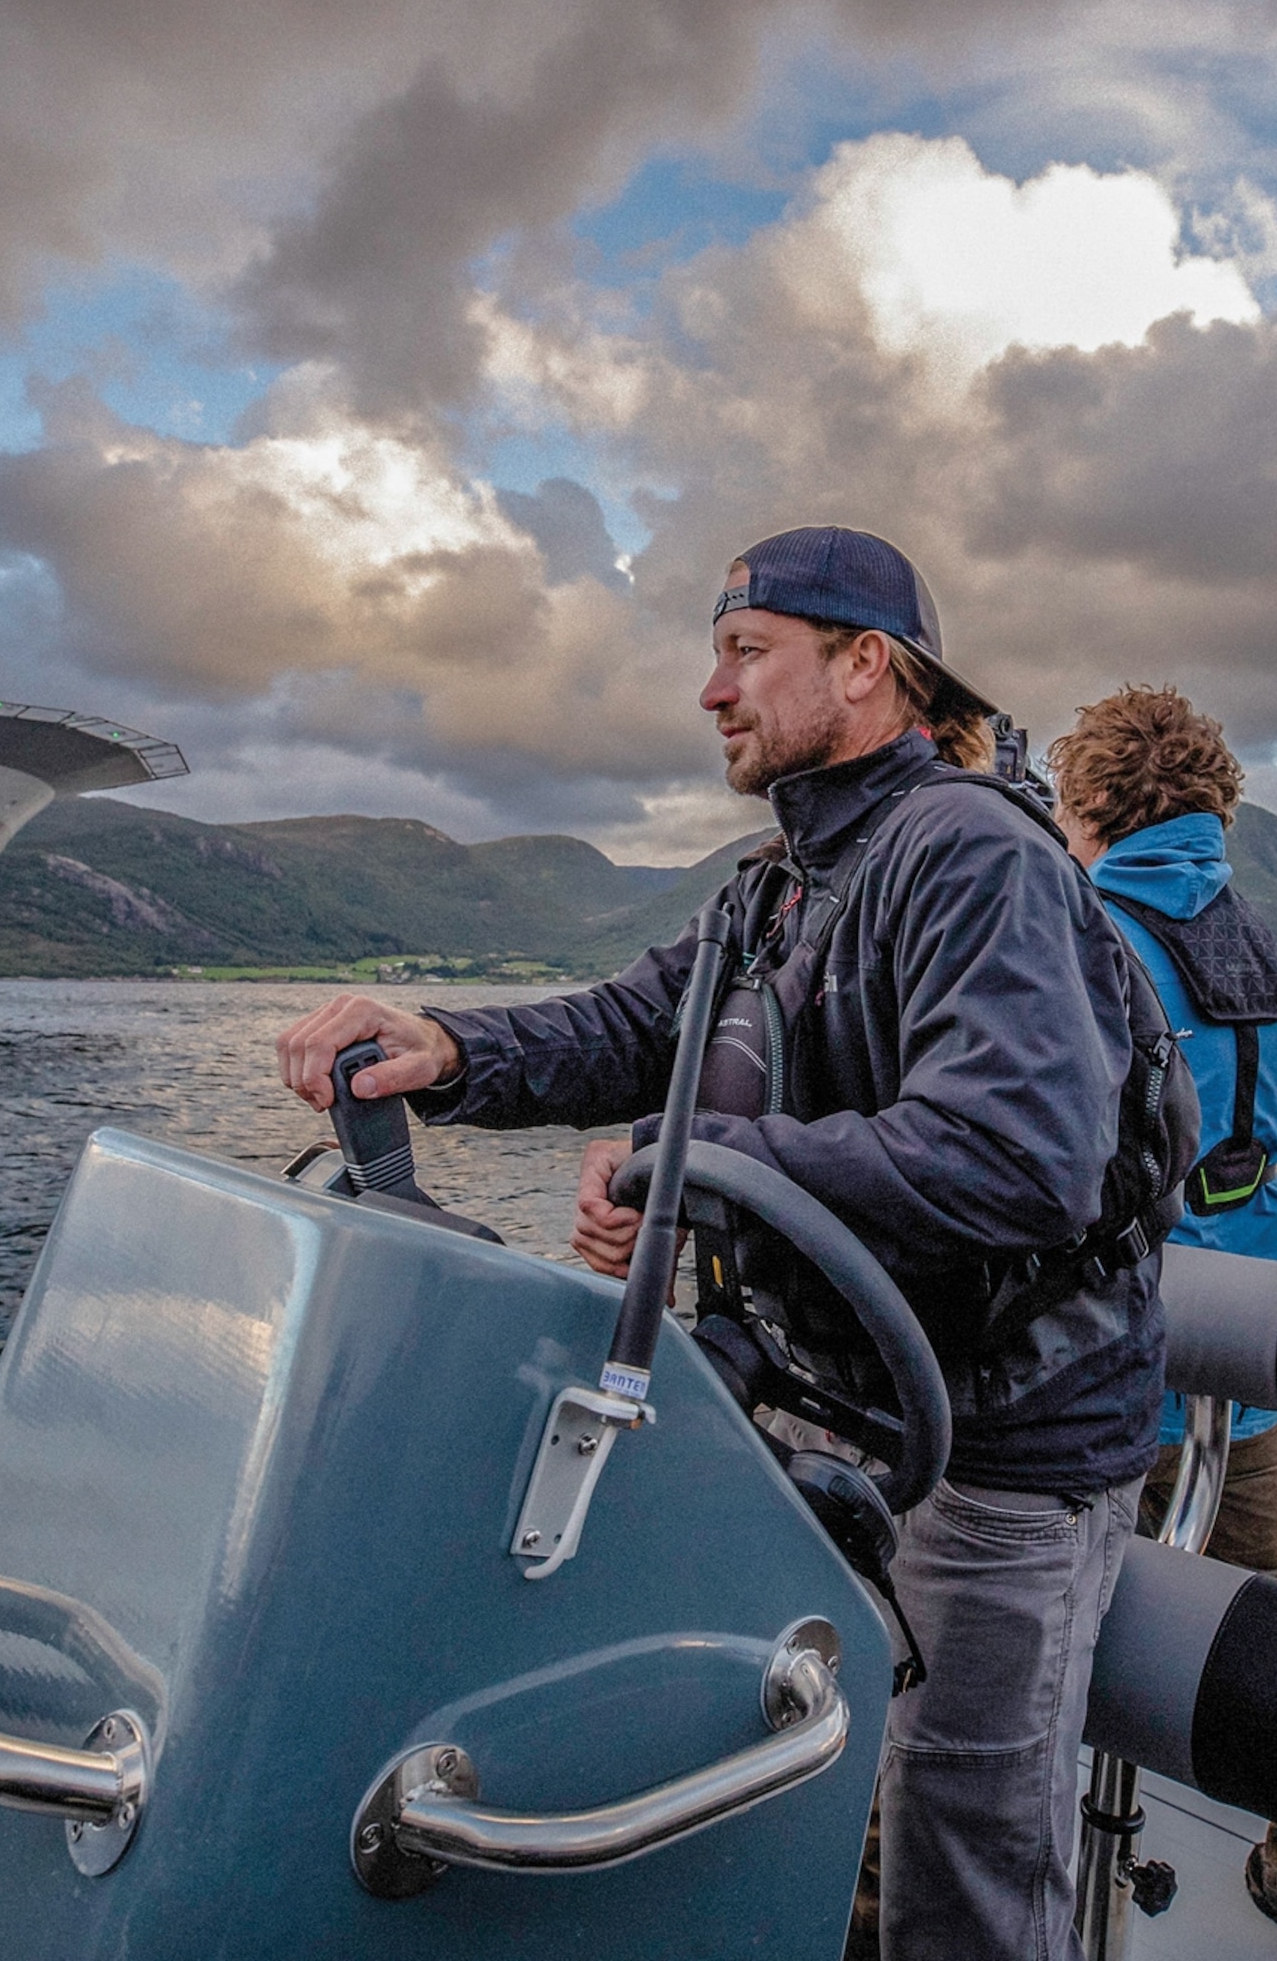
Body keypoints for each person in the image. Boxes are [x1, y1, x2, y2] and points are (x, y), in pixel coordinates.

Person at [275, 526, 1174, 1961]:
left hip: (1003, 1452)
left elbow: (1023, 1160)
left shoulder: (967, 854)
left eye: (746, 651)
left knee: (963, 1843)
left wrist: (695, 1167)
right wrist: (444, 1048)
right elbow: (636, 1027)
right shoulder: (783, 882)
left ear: (868, 668)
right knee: (802, 1782)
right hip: (837, 1413)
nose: (711, 689)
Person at [1047, 685, 1277, 1961]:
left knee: (1010, 1621)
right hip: (1249, 1329)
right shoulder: (1247, 930)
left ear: (1089, 803)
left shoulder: (1083, 932)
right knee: (1260, 1598)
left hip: (1113, 1342)